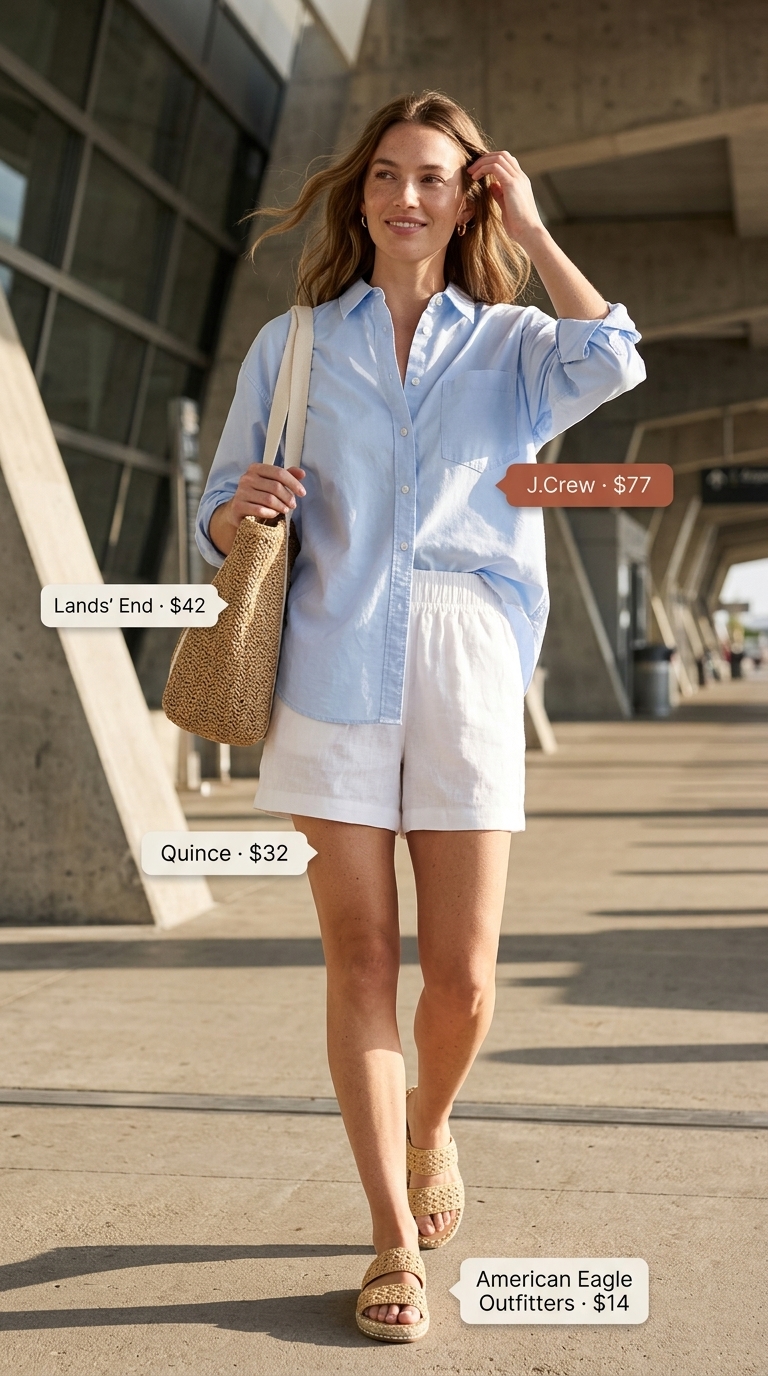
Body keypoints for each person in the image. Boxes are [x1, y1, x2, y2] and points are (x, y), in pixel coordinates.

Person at [197, 91, 645, 1343]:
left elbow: (614, 353)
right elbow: (215, 507)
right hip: (327, 665)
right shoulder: (291, 344)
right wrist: (245, 512)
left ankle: (433, 1117)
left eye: (434, 178)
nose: (404, 197)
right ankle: (391, 1235)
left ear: (469, 197)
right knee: (360, 960)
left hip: (463, 662)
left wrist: (539, 225)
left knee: (463, 980)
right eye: (386, 175)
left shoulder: (510, 345)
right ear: (360, 193)